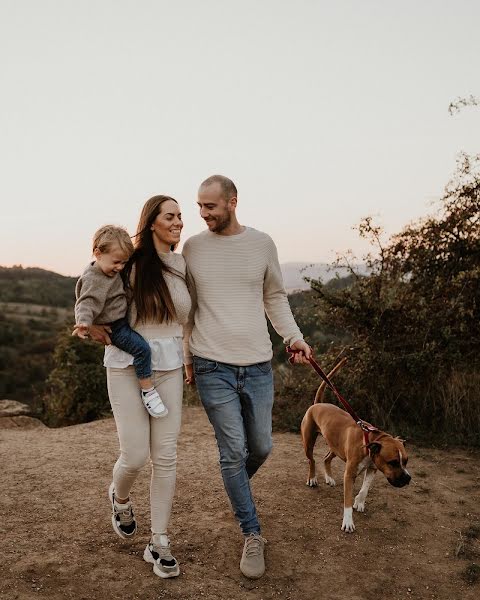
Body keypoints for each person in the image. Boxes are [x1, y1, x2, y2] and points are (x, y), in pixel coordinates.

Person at [182, 175, 311, 579]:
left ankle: (236, 488)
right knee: (233, 452)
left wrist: (294, 337)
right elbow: (187, 307)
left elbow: (274, 296)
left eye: (211, 207)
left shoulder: (261, 244)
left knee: (262, 446)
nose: (203, 214)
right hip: (211, 365)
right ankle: (251, 532)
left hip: (257, 365)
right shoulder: (193, 248)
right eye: (199, 206)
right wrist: (188, 358)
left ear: (232, 202)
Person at [74, 196, 191, 579]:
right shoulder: (131, 262)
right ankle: (119, 497)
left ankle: (159, 542)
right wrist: (88, 326)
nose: (178, 221)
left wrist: (190, 360)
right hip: (127, 366)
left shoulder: (182, 262)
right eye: (170, 216)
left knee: (167, 456)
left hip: (171, 365)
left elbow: (188, 319)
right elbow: (92, 284)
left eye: (180, 216)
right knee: (136, 455)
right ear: (152, 222)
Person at [74, 225, 167, 418]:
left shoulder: (109, 271)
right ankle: (148, 391)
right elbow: (86, 302)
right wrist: (84, 323)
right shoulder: (94, 279)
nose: (120, 268)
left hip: (121, 318)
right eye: (116, 262)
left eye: (124, 263)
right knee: (142, 349)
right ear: (98, 253)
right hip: (114, 327)